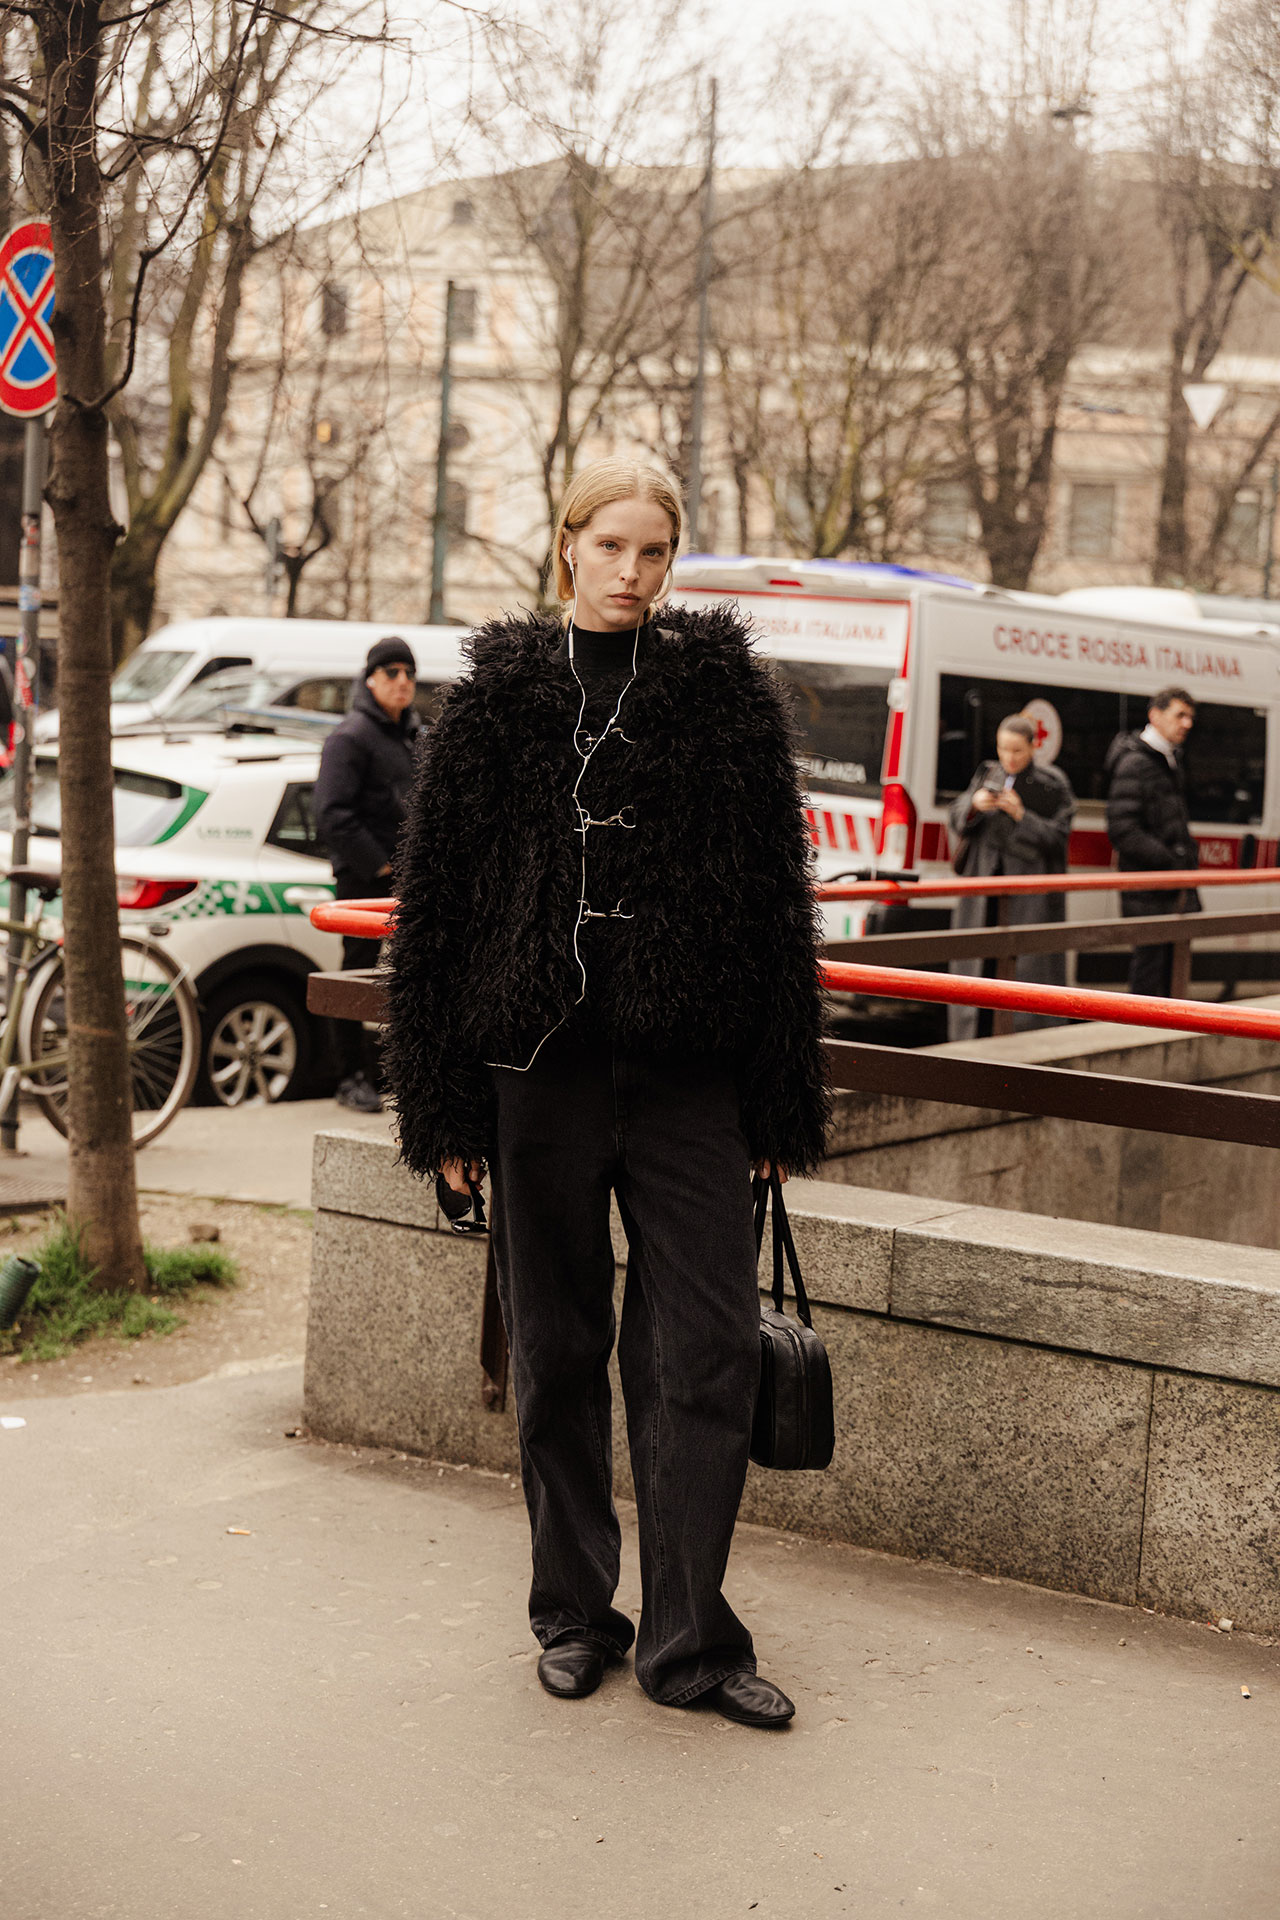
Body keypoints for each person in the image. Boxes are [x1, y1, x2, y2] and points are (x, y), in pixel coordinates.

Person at [382, 459, 829, 1729]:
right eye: (612, 546)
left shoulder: (722, 699)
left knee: (704, 1354)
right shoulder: (497, 701)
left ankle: (690, 1644)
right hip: (538, 1073)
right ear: (568, 546)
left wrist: (776, 1101)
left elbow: (774, 910)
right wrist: (442, 1110)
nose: (633, 572)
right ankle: (574, 1613)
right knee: (556, 1351)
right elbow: (436, 913)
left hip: (692, 1080)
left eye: (655, 551)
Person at [314, 636, 422, 1111]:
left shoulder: (413, 736)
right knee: (356, 974)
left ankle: (403, 1071)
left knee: (413, 972)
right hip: (365, 879)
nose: (403, 681)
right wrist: (380, 863)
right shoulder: (350, 737)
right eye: (392, 672)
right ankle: (351, 1076)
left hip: (411, 878)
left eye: (409, 673)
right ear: (371, 679)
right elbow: (332, 814)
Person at [947, 716, 1076, 1041]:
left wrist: (1022, 815)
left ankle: (1026, 1039)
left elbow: (1059, 838)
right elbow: (957, 816)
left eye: (1017, 750)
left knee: (1027, 971)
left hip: (1029, 897)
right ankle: (973, 1036)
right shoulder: (988, 772)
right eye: (1003, 749)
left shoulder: (1053, 783)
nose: (1009, 757)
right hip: (983, 890)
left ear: (1033, 747)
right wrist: (974, 806)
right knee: (978, 967)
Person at [1105, 687, 1200, 997]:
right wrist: (1172, 860)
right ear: (1155, 715)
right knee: (1150, 974)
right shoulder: (1136, 763)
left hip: (1169, 888)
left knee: (1171, 971)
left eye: (1190, 717)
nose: (1187, 724)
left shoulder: (1168, 758)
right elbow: (1123, 830)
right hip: (1150, 889)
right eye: (1180, 715)